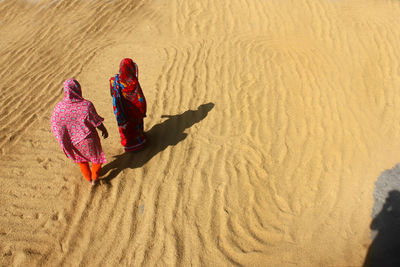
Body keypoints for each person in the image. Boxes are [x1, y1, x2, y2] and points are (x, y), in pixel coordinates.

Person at [51, 79, 108, 186]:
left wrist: (64, 140)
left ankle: (88, 179)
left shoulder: (59, 107)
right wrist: (104, 129)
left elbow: (55, 125)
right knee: (96, 159)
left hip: (72, 143)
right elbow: (95, 121)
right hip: (89, 140)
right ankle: (95, 179)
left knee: (81, 160)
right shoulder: (86, 105)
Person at [109, 58, 147, 152]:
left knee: (125, 127)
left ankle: (128, 145)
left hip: (121, 109)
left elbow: (112, 93)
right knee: (135, 125)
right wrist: (142, 109)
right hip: (134, 110)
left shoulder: (114, 80)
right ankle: (139, 143)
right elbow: (139, 96)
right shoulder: (133, 81)